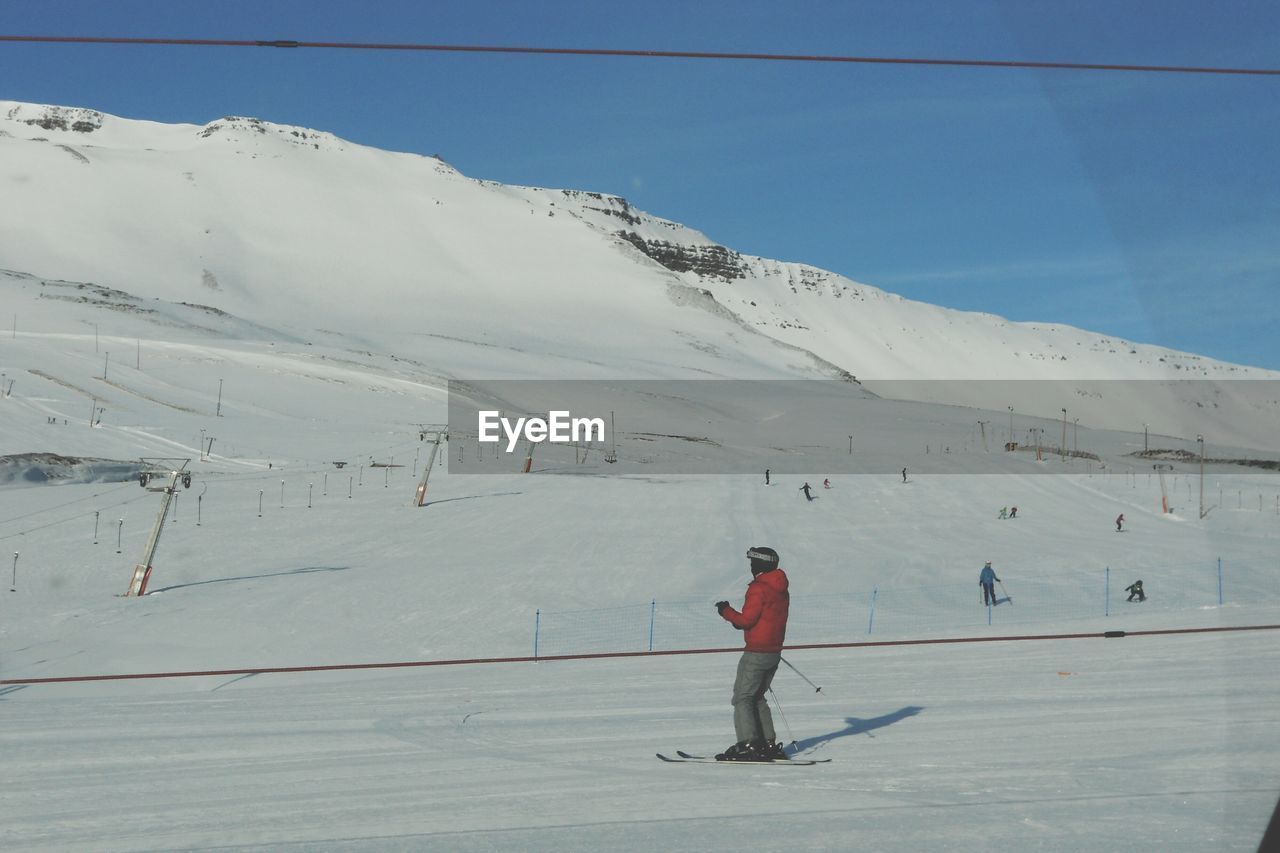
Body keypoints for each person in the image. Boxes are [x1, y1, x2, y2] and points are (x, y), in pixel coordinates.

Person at [715, 547, 791, 761]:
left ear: (760, 565)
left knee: (742, 697)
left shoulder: (759, 588)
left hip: (756, 652)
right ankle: (767, 743)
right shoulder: (780, 587)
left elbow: (746, 621)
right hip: (773, 651)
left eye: (753, 563)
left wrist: (725, 611)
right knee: (757, 697)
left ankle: (747, 744)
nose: (750, 567)